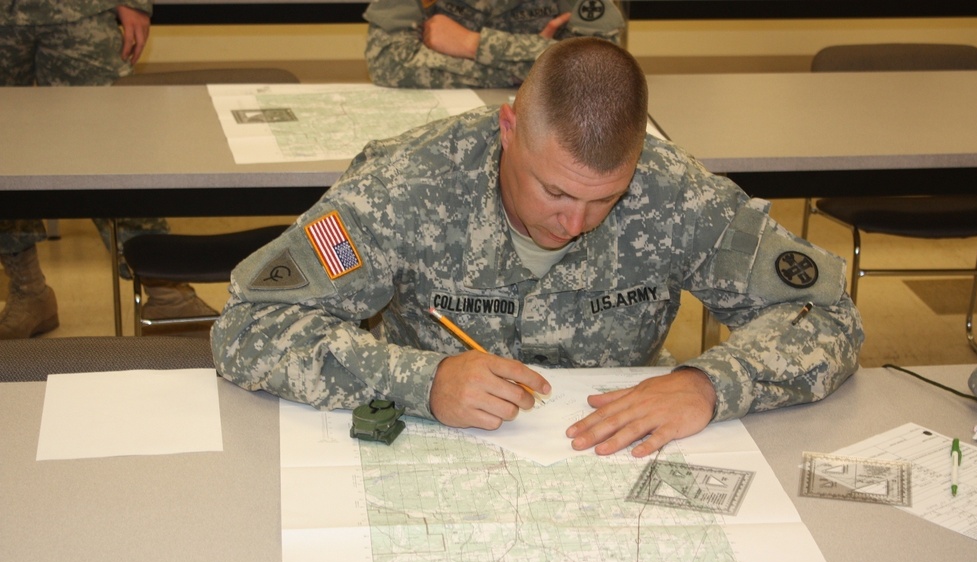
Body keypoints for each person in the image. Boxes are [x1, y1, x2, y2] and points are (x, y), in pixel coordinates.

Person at [211, 38, 864, 458]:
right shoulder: (407, 184)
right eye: (553, 189)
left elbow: (828, 315)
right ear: (509, 127)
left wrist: (709, 383)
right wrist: (419, 378)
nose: (575, 222)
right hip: (440, 446)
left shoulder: (676, 192)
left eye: (605, 197)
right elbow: (247, 324)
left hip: (614, 450)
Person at [0, 1, 216, 338]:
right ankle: (28, 289)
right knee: (4, 152)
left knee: (115, 144)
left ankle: (166, 290)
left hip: (79, 10)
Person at [364, 0, 624, 88]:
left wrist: (473, 43)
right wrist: (534, 64)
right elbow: (388, 62)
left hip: (545, 129)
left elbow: (599, 69)